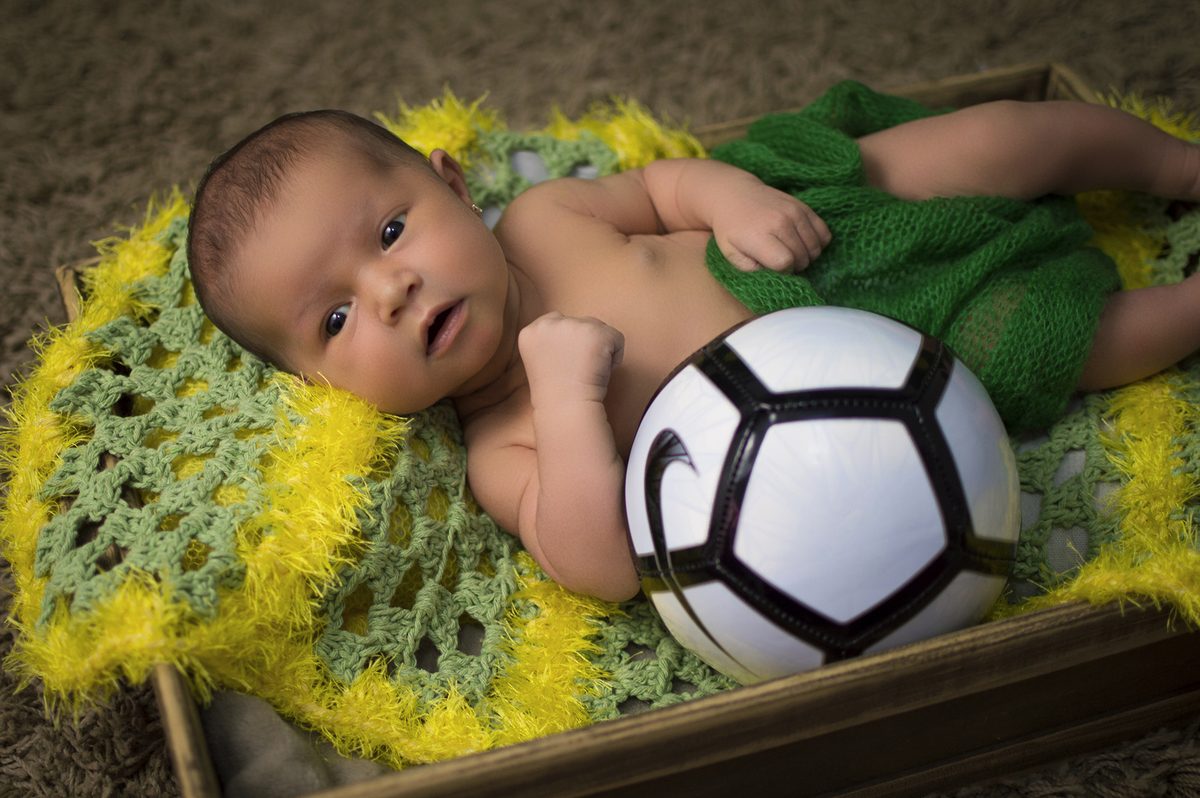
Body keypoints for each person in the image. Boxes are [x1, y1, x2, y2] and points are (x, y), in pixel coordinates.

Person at [187, 82, 1200, 604]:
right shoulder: (505, 445)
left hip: (816, 229)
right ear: (328, 387)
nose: (393, 290)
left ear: (453, 184)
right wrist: (569, 397)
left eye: (392, 231)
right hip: (897, 369)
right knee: (1074, 348)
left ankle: (1174, 160)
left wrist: (736, 197)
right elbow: (600, 565)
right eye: (334, 321)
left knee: (996, 140)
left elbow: (664, 186)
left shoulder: (543, 218)